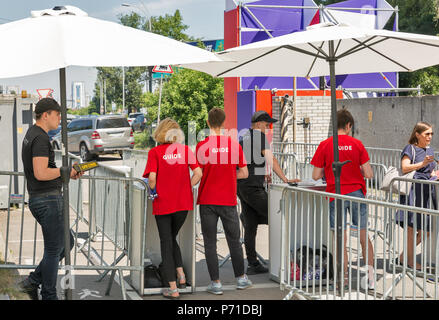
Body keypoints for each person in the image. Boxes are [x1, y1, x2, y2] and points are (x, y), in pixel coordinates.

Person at [19, 98, 82, 300]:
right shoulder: (40, 138)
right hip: (47, 200)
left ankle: (32, 281)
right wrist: (64, 171)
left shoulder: (32, 134)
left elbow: (44, 172)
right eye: (57, 114)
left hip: (43, 198)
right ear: (45, 115)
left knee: (67, 242)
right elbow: (41, 172)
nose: (60, 119)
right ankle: (48, 294)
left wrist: (65, 174)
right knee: (54, 249)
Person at [310, 109, 375, 290]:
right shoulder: (357, 144)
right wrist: (357, 170)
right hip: (357, 193)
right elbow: (369, 173)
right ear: (348, 125)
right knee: (363, 237)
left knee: (340, 240)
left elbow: (315, 175)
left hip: (335, 194)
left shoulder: (325, 144)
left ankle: (342, 280)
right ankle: (370, 278)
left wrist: (329, 170)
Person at [142, 118, 202, 299]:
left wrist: (152, 192)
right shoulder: (185, 151)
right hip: (183, 204)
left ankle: (173, 288)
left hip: (163, 203)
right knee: (171, 238)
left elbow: (151, 179)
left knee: (166, 243)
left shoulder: (155, 152)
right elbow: (198, 173)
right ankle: (181, 274)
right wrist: (186, 188)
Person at [196, 107, 252, 295]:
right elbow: (244, 172)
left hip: (207, 201)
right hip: (228, 200)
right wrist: (229, 175)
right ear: (224, 122)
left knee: (210, 243)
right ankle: (241, 279)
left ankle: (216, 283)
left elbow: (198, 174)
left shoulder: (202, 146)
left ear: (208, 123)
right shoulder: (234, 145)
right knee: (234, 241)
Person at [237, 110, 300, 275]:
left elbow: (248, 161)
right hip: (252, 188)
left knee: (250, 226)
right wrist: (285, 179)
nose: (268, 127)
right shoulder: (259, 137)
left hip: (242, 186)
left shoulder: (244, 138)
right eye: (267, 124)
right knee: (277, 217)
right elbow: (271, 159)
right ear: (258, 124)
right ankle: (288, 261)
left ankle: (252, 264)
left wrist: (261, 174)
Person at [395, 121, 437, 271]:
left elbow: (429, 172)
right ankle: (410, 261)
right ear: (417, 134)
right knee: (412, 229)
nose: (430, 137)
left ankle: (403, 257)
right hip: (412, 192)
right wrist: (422, 163)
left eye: (431, 134)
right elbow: (405, 167)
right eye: (427, 134)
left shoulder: (430, 150)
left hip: (425, 194)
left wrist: (436, 174)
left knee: (425, 231)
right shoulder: (410, 149)